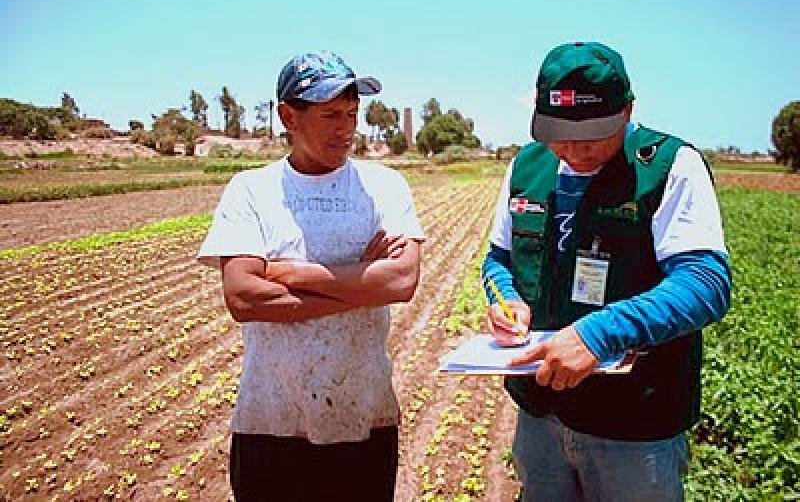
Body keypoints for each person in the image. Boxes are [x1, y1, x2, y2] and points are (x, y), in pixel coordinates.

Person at [482, 41, 732, 500]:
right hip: (540, 417)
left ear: (628, 110)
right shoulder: (526, 166)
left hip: (635, 427)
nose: (574, 149)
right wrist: (506, 300)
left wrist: (601, 334)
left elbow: (706, 282)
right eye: (559, 133)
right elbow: (498, 259)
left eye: (593, 134)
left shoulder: (669, 166)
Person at [197, 50, 425, 502]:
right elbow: (243, 298)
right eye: (329, 115)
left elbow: (401, 282)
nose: (345, 128)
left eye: (350, 114)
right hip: (270, 421)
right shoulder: (251, 189)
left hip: (364, 415)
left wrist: (291, 274)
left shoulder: (384, 187)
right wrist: (361, 285)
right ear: (288, 116)